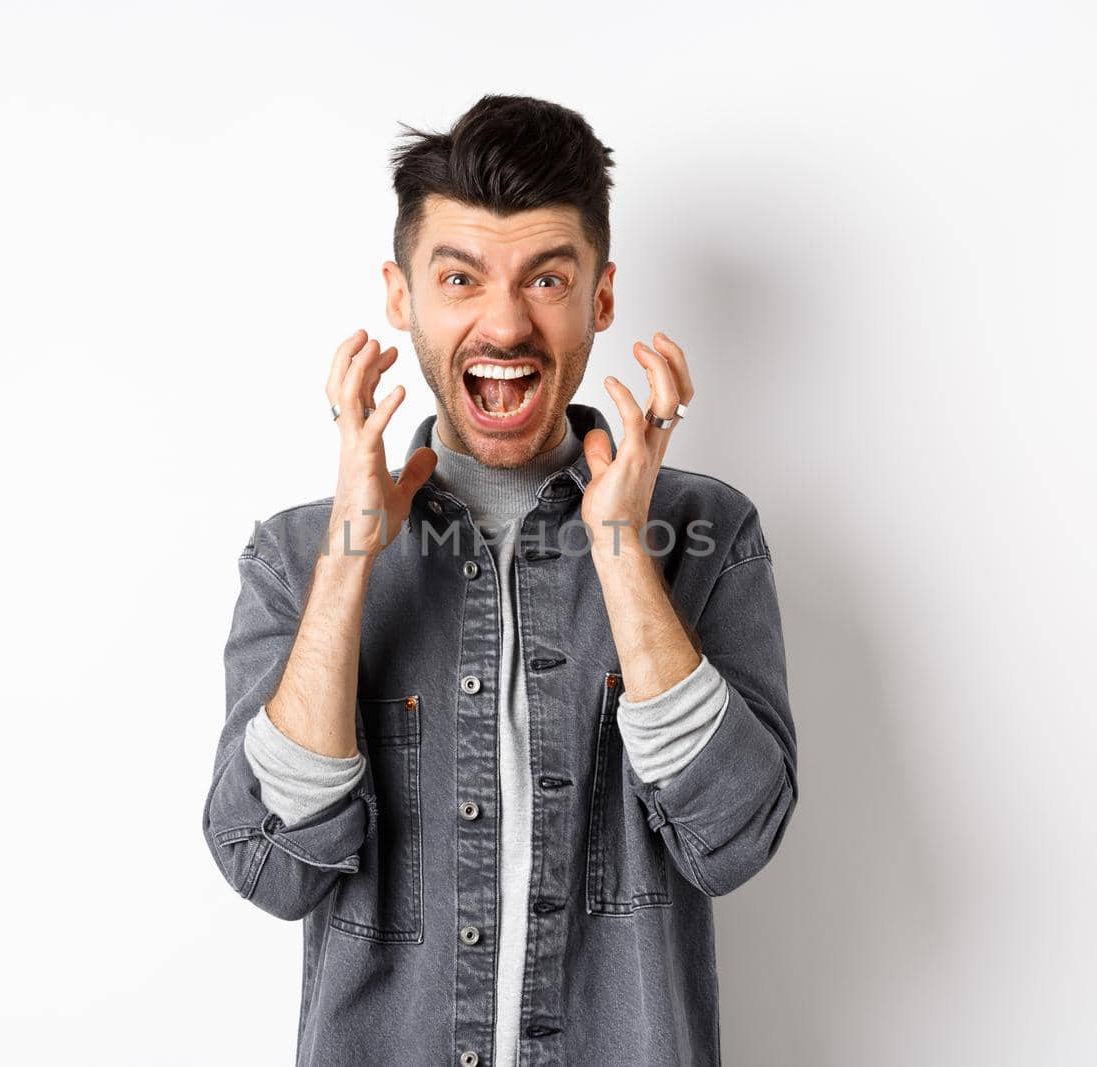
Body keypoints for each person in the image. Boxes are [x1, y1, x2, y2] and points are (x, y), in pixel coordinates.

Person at [201, 93, 798, 1067]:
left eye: (547, 278)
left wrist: (619, 555)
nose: (505, 321)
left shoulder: (703, 535)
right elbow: (269, 864)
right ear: (402, 298)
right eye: (460, 277)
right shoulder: (295, 554)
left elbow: (732, 841)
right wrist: (352, 553)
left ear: (600, 298)